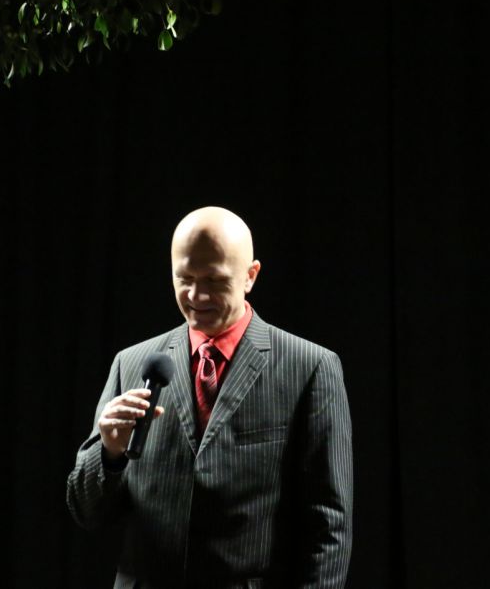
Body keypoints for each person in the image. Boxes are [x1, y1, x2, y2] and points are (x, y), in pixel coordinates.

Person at [67, 207, 353, 589]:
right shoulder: (130, 363)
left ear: (250, 276)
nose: (196, 295)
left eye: (214, 281)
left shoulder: (310, 367)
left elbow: (328, 525)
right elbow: (86, 512)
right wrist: (109, 453)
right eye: (184, 279)